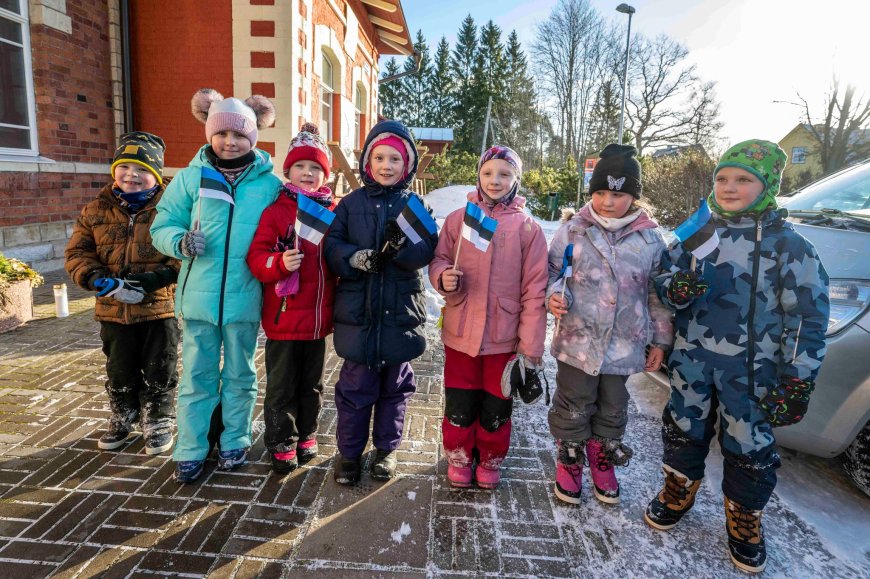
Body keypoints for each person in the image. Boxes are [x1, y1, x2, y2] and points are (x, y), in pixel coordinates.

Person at [644, 140, 829, 573]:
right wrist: (675, 289)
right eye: (722, 178)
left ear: (767, 185)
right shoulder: (697, 232)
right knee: (683, 429)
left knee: (749, 445)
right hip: (692, 363)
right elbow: (662, 279)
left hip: (754, 372)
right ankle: (678, 489)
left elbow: (806, 317)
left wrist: (798, 378)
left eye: (743, 179)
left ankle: (744, 517)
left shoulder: (791, 246)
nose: (729, 187)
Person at [150, 89, 281, 483]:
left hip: (244, 298)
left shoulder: (268, 184)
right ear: (209, 133)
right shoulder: (191, 179)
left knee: (241, 375)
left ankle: (234, 440)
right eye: (222, 133)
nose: (230, 142)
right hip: (198, 302)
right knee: (197, 376)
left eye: (239, 135)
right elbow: (162, 224)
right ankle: (190, 447)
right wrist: (180, 242)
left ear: (253, 137)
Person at [546, 144, 673, 505]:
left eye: (616, 194)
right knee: (574, 400)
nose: (606, 201)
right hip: (577, 339)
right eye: (600, 192)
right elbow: (553, 272)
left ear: (633, 196)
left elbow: (657, 295)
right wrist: (552, 295)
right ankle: (570, 456)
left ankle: (601, 457)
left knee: (614, 404)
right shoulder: (574, 230)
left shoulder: (650, 239)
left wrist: (660, 341)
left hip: (624, 344)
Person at [324, 119, 438, 485]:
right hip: (358, 315)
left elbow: (426, 249)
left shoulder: (414, 206)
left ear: (408, 165)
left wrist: (402, 248)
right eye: (380, 157)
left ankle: (386, 451)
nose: (387, 165)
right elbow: (332, 245)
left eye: (395, 159)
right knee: (355, 390)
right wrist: (355, 258)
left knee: (395, 389)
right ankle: (349, 454)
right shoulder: (350, 204)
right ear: (368, 162)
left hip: (399, 314)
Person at [428, 145, 548, 489]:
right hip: (461, 332)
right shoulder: (459, 219)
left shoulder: (528, 229)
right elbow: (439, 259)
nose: (495, 181)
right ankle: (459, 455)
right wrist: (442, 278)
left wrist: (530, 345)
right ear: (478, 176)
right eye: (488, 173)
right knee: (460, 401)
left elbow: (534, 290)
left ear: (516, 180)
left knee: (497, 404)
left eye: (505, 174)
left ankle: (491, 457)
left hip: (504, 337)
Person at [65, 131, 180, 455]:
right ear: (114, 169)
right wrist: (94, 277)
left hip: (159, 308)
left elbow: (182, 254)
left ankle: (158, 419)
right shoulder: (95, 210)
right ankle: (123, 413)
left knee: (161, 366)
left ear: (155, 175)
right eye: (125, 166)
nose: (132, 175)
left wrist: (160, 276)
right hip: (113, 309)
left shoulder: (170, 208)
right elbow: (77, 252)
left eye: (143, 169)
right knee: (119, 367)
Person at [246, 122, 336, 474]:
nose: (307, 173)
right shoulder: (276, 212)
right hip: (284, 319)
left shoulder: (332, 212)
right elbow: (257, 259)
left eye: (315, 168)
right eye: (300, 166)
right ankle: (281, 439)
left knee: (312, 384)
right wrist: (279, 262)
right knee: (281, 386)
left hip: (316, 321)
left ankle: (307, 433)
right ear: (288, 171)